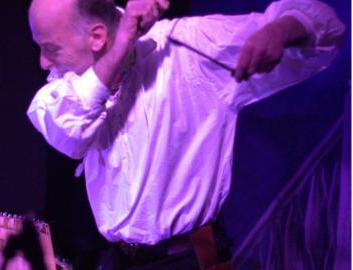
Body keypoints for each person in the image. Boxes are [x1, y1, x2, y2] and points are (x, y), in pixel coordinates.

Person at [26, 0, 344, 269]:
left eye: (50, 48)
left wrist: (281, 29)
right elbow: (68, 130)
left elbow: (324, 24)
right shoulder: (66, 83)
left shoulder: (186, 48)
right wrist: (121, 45)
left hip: (187, 259)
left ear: (96, 37)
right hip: (119, 259)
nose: (42, 62)